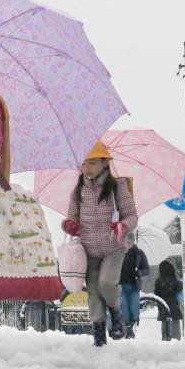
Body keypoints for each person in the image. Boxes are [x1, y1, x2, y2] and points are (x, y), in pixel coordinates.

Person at [61, 141, 138, 347]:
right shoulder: (78, 191)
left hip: (114, 248)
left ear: (105, 163)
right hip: (89, 250)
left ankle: (116, 312)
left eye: (93, 163)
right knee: (94, 292)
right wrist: (68, 224)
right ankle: (99, 337)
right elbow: (70, 218)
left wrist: (123, 225)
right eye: (84, 164)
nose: (87, 168)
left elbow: (132, 215)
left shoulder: (117, 188)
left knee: (106, 283)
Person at [119, 232, 149, 339]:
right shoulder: (119, 253)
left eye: (128, 242)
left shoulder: (139, 253)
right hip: (121, 285)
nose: (126, 244)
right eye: (124, 242)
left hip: (134, 286)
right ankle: (127, 328)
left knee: (134, 309)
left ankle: (130, 325)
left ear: (132, 242)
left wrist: (140, 273)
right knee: (124, 308)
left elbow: (146, 269)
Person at [154, 259, 183, 341]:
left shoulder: (159, 280)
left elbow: (156, 293)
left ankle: (165, 338)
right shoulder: (175, 280)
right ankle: (177, 339)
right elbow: (180, 288)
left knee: (164, 322)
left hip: (163, 304)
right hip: (174, 304)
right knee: (175, 322)